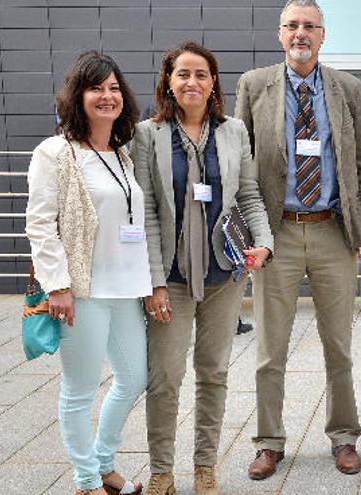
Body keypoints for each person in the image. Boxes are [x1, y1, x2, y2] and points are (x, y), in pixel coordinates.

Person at [235, 0, 361, 478]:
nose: (301, 33)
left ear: (323, 35)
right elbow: (240, 166)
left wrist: (360, 221)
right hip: (277, 235)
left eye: (309, 26)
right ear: (280, 34)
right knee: (271, 348)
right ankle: (269, 441)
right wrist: (253, 234)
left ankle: (344, 437)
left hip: (333, 232)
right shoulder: (254, 86)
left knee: (338, 344)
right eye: (292, 25)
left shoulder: (348, 89)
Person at [130, 41, 273, 495]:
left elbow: (248, 195)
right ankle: (161, 471)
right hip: (169, 279)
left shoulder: (233, 131)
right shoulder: (146, 135)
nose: (192, 82)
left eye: (201, 74)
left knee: (213, 373)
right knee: (165, 377)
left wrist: (263, 243)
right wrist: (152, 280)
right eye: (182, 74)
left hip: (223, 275)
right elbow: (147, 210)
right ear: (168, 82)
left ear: (214, 83)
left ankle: (205, 466)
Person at [26, 51, 148, 495]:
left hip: (126, 287)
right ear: (77, 96)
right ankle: (85, 480)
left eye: (114, 88)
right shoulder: (56, 152)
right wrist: (56, 285)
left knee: (135, 378)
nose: (107, 96)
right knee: (79, 390)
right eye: (96, 87)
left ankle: (102, 463)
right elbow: (40, 222)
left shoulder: (122, 152)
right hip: (82, 288)